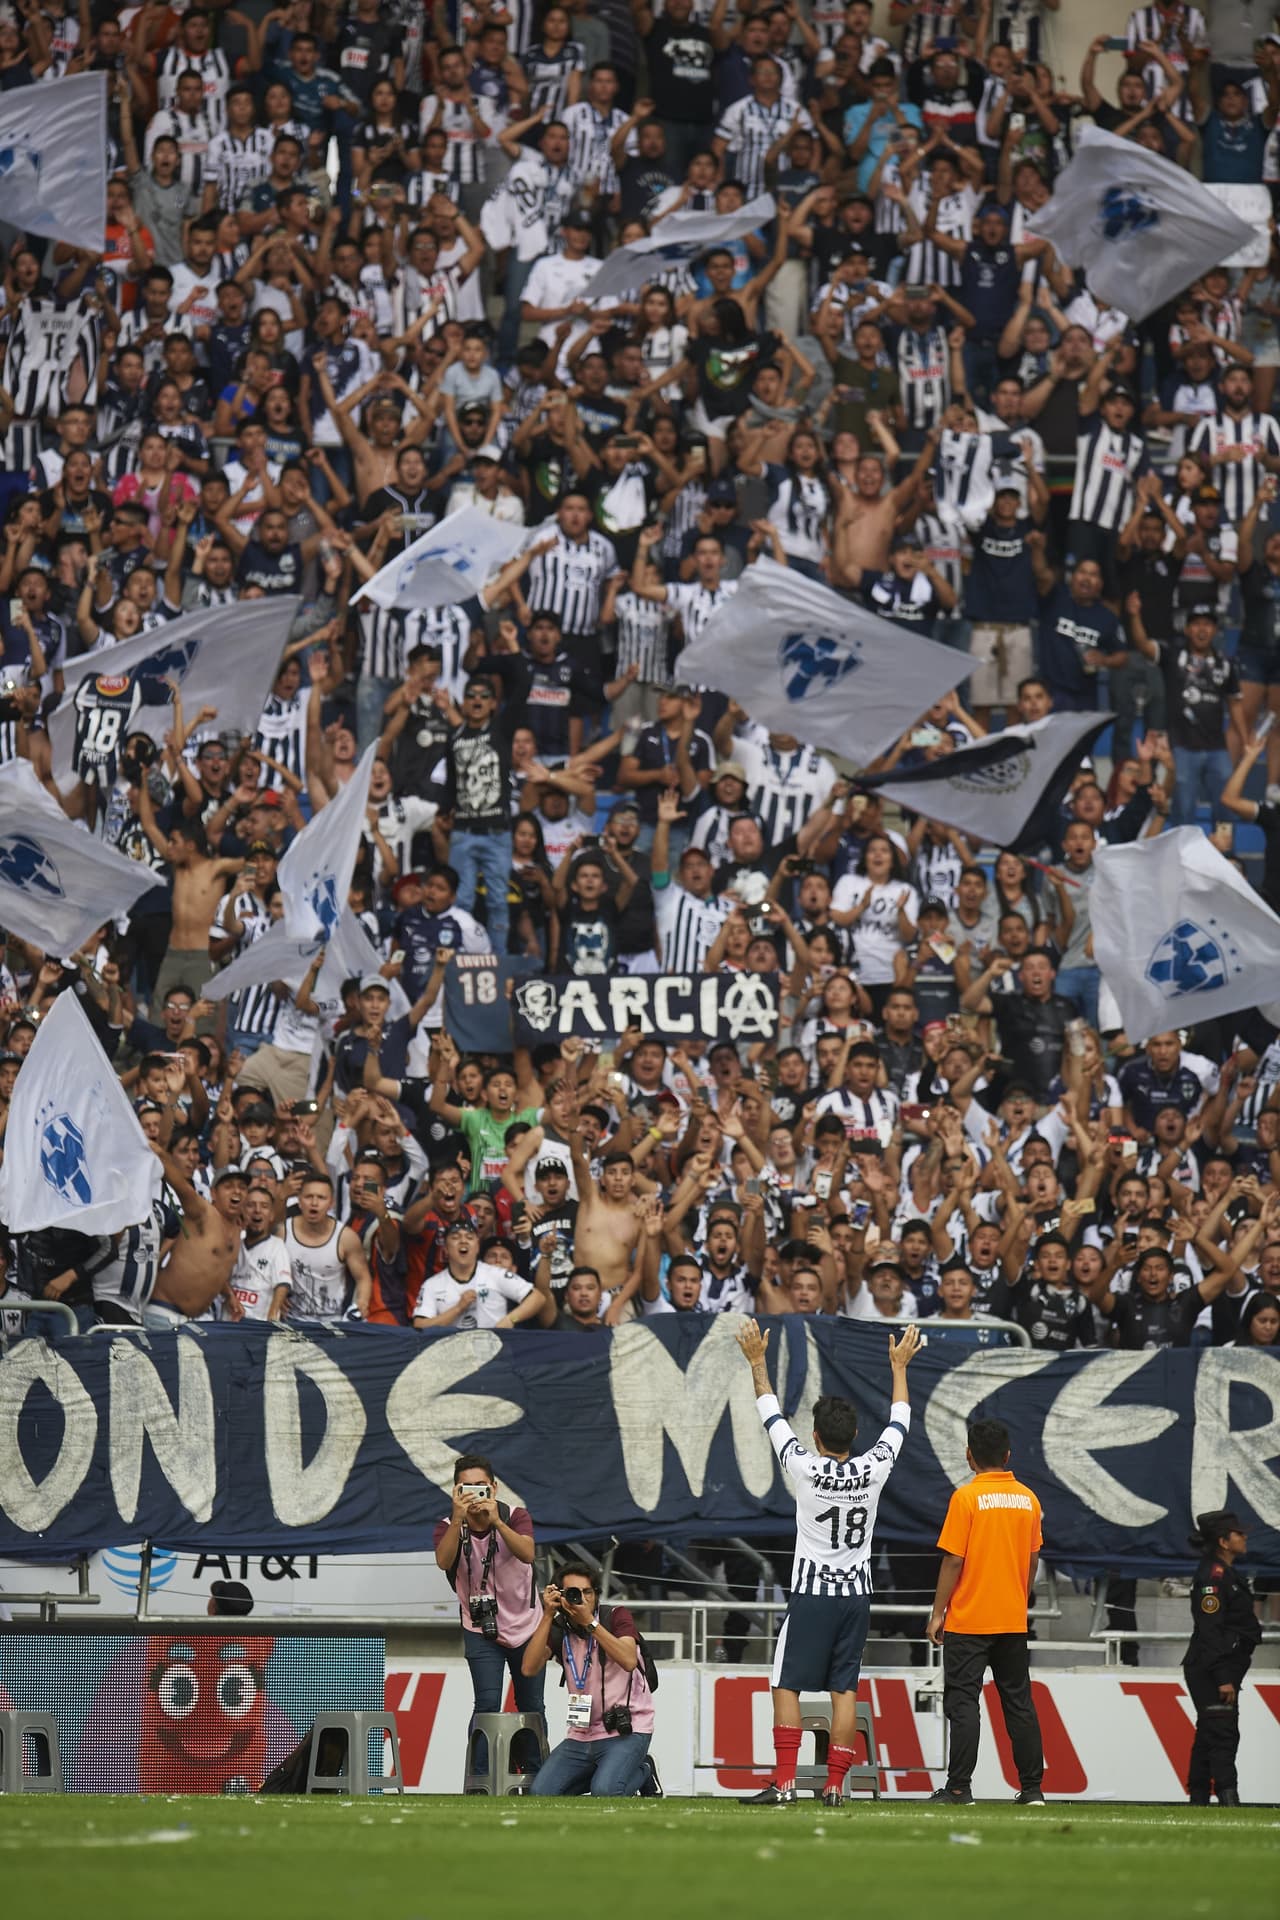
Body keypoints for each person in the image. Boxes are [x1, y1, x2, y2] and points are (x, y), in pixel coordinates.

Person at [735, 1317, 921, 1806]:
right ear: (855, 1434)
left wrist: (757, 1361)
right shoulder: (874, 1466)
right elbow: (900, 1420)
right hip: (856, 1596)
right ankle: (836, 1785)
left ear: (815, 1435)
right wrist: (899, 1367)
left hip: (812, 1594)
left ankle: (785, 1784)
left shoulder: (803, 1466)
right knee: (844, 1690)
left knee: (785, 1684)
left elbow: (770, 1412)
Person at [926, 1417, 1046, 1807]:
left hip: (969, 1619)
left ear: (969, 1456)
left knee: (963, 1702)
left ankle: (960, 1788)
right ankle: (1032, 1789)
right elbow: (1033, 1559)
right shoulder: (1029, 1499)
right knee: (1019, 1703)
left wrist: (937, 1612)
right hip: (1011, 1619)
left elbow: (952, 1561)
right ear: (1008, 1455)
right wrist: (1019, 1598)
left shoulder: (966, 1498)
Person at [433, 1453, 546, 1775]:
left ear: (494, 1488)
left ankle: (538, 1778)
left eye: (481, 1487)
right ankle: (479, 1779)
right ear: (456, 1492)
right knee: (486, 1703)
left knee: (532, 1706)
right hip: (480, 1627)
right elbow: (443, 1561)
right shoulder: (447, 1526)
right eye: (466, 1488)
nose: (475, 1495)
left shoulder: (516, 1515)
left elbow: (527, 1553)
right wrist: (458, 1519)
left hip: (527, 1626)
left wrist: (497, 1521)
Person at [523, 1564, 657, 1797]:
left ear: (596, 1594)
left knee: (605, 1792)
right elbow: (529, 1668)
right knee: (541, 1793)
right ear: (561, 1596)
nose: (583, 1599)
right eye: (574, 1593)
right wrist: (547, 1615)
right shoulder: (559, 1627)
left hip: (626, 1729)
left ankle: (644, 1770)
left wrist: (591, 1624)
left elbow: (628, 1660)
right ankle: (607, 1772)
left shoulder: (615, 1616)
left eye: (588, 1592)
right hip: (581, 1732)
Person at [1182, 1509, 1262, 1806]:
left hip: (1224, 1665)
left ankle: (1199, 1797)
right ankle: (1229, 1797)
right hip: (1213, 1667)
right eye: (1238, 1533)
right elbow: (1210, 1630)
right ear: (1224, 1541)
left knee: (1209, 1733)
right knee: (1223, 1734)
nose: (1244, 1538)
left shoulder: (1227, 1573)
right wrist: (1222, 1677)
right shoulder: (1213, 1578)